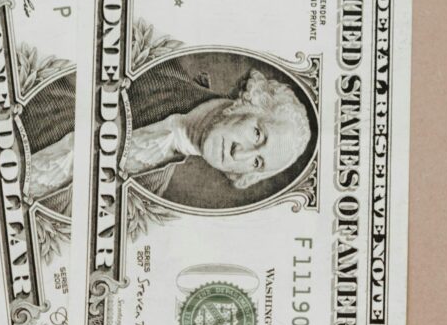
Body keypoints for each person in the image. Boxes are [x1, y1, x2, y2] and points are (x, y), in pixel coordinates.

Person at [121, 50, 314, 210]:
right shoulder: (154, 63)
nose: (239, 154)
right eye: (257, 134)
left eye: (256, 162)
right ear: (249, 101)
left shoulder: (151, 191)